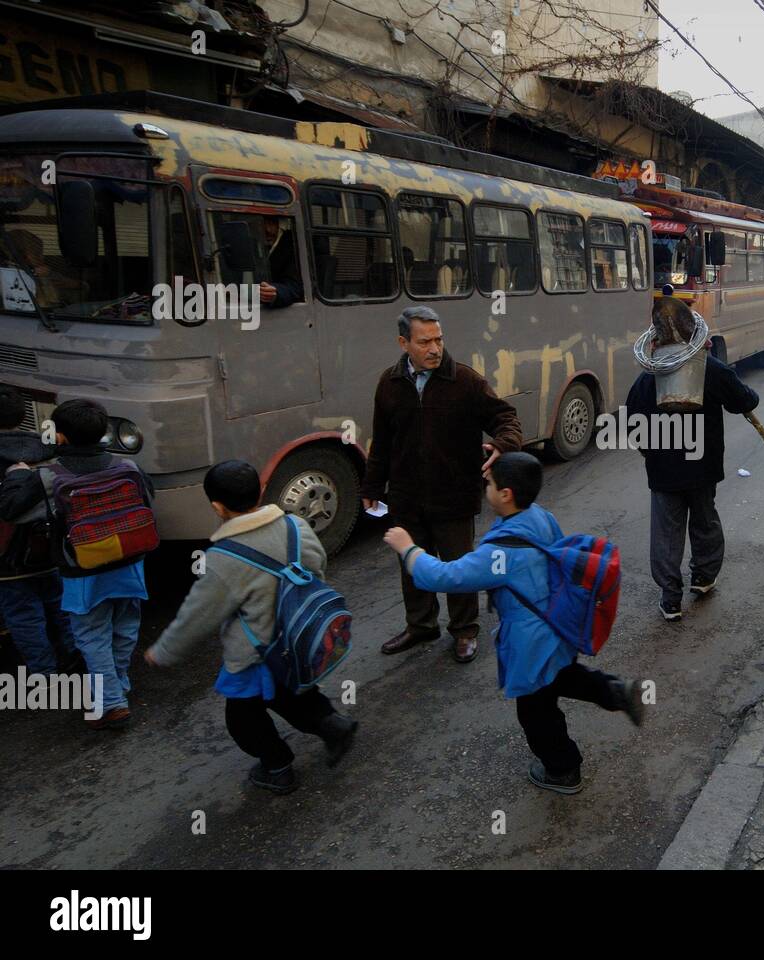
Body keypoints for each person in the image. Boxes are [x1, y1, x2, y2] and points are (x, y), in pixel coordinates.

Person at [383, 452, 643, 794]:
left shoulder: (500, 555)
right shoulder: (539, 516)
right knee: (560, 676)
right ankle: (614, 691)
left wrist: (408, 549)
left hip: (530, 639)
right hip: (556, 622)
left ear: (506, 494)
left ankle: (563, 769)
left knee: (536, 712)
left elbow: (446, 576)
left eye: (489, 484)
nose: (484, 488)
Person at [142, 460, 358, 795]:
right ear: (260, 491)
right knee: (291, 693)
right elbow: (317, 566)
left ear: (217, 506)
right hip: (298, 639)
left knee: (243, 719)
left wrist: (164, 651)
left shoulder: (223, 558)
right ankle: (333, 726)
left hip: (256, 651)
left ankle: (277, 766)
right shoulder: (295, 525)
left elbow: (198, 616)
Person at [362, 306, 523, 662]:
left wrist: (502, 444)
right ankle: (421, 626)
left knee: (458, 567)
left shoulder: (464, 381)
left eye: (439, 339)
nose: (435, 348)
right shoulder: (389, 384)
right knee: (411, 563)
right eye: (425, 342)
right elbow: (382, 441)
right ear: (404, 343)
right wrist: (372, 488)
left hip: (454, 495)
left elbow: (506, 417)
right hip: (405, 496)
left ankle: (464, 630)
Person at [0, 399, 152, 730]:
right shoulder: (130, 468)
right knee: (125, 626)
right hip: (130, 562)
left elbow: (11, 510)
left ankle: (111, 702)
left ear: (62, 437)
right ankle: (118, 686)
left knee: (92, 634)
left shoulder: (48, 478)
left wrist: (17, 475)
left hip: (83, 569)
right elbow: (147, 504)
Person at [625, 304, 760, 621]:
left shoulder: (648, 377)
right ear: (694, 335)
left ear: (656, 341)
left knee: (666, 535)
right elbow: (746, 400)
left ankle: (671, 599)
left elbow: (632, 423)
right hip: (703, 467)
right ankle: (703, 578)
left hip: (662, 471)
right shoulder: (710, 369)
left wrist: (649, 452)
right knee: (705, 521)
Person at [0, 386, 70, 676]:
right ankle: (75, 654)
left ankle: (44, 672)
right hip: (51, 544)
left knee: (22, 613)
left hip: (8, 555)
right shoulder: (45, 448)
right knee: (59, 603)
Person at [258, 216, 303, 309]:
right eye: (261, 224)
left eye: (271, 223)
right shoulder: (252, 246)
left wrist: (275, 293)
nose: (268, 229)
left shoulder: (292, 245)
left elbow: (295, 287)